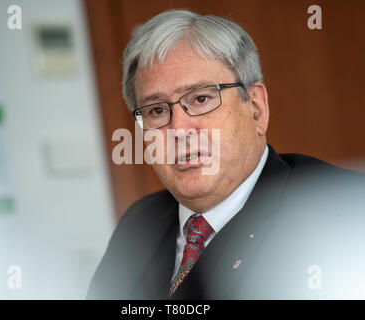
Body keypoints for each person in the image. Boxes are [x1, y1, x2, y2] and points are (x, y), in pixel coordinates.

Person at [87, 9, 365, 299]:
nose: (179, 129)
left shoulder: (344, 211)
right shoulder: (139, 222)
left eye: (201, 98)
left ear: (256, 108)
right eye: (157, 110)